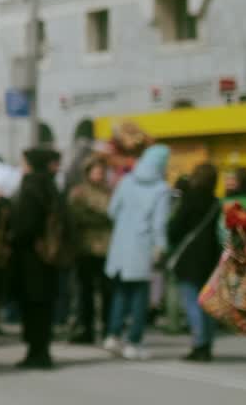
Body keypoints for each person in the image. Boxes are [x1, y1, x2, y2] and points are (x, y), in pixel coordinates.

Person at [103, 144, 171, 361]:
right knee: (140, 297)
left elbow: (112, 210)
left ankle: (112, 336)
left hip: (120, 245)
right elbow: (159, 224)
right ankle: (133, 341)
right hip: (142, 247)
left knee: (121, 293)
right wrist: (160, 247)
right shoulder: (161, 189)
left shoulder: (126, 181)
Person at [9, 147, 63, 369]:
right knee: (44, 306)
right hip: (49, 255)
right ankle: (43, 350)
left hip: (31, 257)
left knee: (32, 305)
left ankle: (35, 352)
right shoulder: (51, 185)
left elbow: (25, 226)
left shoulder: (30, 186)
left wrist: (12, 235)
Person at [167, 163, 223, 362]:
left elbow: (176, 227)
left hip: (189, 257)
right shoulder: (216, 203)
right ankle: (207, 344)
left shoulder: (189, 199)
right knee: (207, 303)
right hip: (210, 258)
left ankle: (199, 345)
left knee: (192, 303)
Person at [67, 153, 114, 344]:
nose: (99, 175)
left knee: (107, 292)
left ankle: (108, 328)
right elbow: (77, 216)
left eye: (102, 171)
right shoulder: (79, 192)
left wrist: (98, 216)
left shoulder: (110, 192)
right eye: (96, 171)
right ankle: (85, 329)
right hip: (85, 247)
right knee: (84, 292)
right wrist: (101, 217)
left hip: (106, 248)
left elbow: (114, 215)